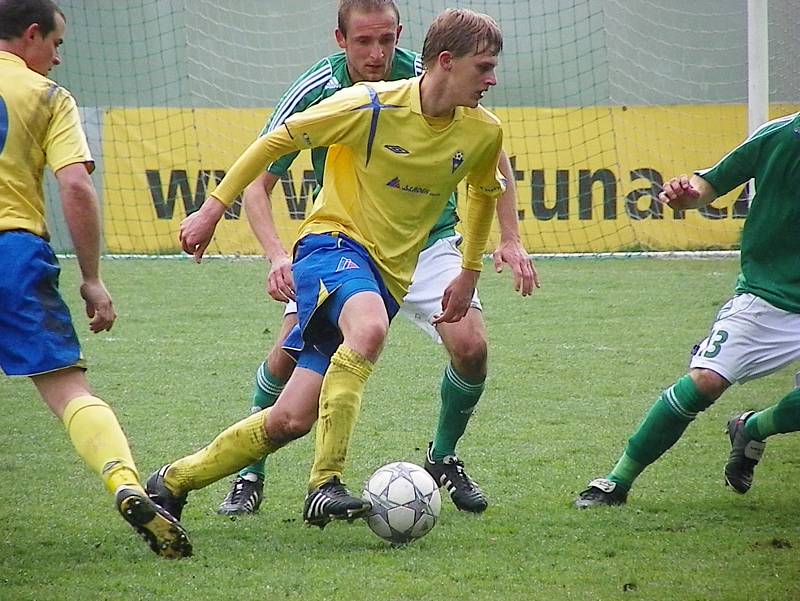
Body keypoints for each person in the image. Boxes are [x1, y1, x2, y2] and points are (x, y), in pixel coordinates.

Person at [147, 8, 511, 530]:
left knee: (289, 419)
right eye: (484, 68)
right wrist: (211, 209)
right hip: (330, 246)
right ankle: (325, 483)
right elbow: (276, 141)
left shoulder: (482, 132)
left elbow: (482, 194)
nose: (492, 80)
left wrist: (469, 271)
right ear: (447, 63)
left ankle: (171, 482)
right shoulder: (369, 105)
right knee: (367, 329)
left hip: (388, 274)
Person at [0, 0, 191, 558]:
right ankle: (125, 483)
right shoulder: (46, 96)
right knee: (68, 389)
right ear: (32, 35)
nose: (57, 59)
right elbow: (76, 188)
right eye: (56, 44)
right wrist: (92, 279)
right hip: (13, 251)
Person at [575, 112, 800, 508]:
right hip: (769, 294)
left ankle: (753, 427)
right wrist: (686, 195)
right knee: (705, 382)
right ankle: (617, 481)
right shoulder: (780, 136)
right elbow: (708, 185)